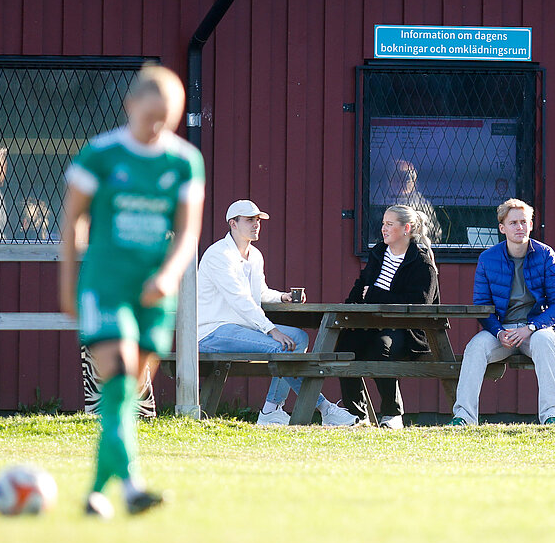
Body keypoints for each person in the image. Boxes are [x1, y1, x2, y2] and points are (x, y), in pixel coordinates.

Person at [59, 65, 204, 518]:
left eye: (168, 118)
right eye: (151, 116)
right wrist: (68, 284)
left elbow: (187, 232)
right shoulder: (99, 155)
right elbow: (71, 222)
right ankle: (134, 486)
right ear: (130, 106)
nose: (158, 127)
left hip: (154, 295)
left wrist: (168, 275)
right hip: (105, 286)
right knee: (118, 377)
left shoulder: (183, 161)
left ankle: (97, 492)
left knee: (129, 392)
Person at [197, 198, 354, 426]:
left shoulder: (255, 255)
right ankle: (325, 408)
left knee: (299, 338)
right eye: (250, 220)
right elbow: (241, 301)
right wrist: (271, 330)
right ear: (233, 223)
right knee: (281, 345)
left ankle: (271, 409)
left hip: (242, 328)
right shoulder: (218, 255)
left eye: (258, 219)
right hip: (211, 332)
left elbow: (258, 292)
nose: (256, 224)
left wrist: (282, 296)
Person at [450, 198, 555, 426]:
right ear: (502, 228)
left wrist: (531, 328)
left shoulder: (546, 255)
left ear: (531, 225)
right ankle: (463, 418)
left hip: (535, 329)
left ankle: (552, 416)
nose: (519, 227)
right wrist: (498, 333)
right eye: (513, 223)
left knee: (546, 342)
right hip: (501, 330)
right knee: (474, 348)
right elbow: (482, 306)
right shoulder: (488, 258)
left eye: (524, 222)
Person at [335, 205, 440, 427]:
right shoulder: (378, 253)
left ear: (406, 229)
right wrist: (349, 310)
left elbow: (420, 304)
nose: (383, 229)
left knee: (380, 348)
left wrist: (375, 295)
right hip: (369, 323)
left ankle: (392, 414)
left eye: (389, 224)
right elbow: (361, 285)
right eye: (383, 223)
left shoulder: (421, 263)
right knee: (344, 346)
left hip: (405, 329)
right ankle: (357, 415)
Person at [381, 158, 443, 245]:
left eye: (409, 176)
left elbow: (434, 235)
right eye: (398, 175)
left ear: (414, 181)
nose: (404, 180)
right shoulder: (380, 203)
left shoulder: (423, 205)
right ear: (389, 180)